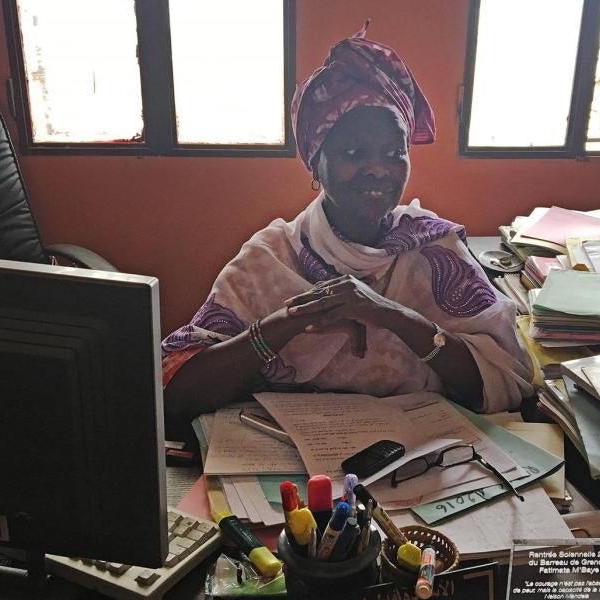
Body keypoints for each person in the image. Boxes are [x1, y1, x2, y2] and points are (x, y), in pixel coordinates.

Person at [162, 24, 533, 432]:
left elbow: (505, 380)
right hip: (291, 469)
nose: (378, 169)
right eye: (354, 153)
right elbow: (175, 393)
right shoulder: (269, 261)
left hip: (420, 458)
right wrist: (286, 322)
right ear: (315, 165)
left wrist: (392, 315)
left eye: (394, 153)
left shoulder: (435, 252)